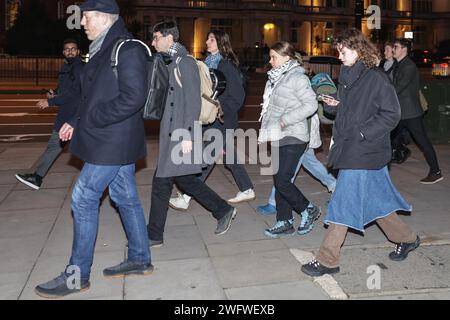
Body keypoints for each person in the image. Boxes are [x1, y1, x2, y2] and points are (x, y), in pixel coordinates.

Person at [35, 0, 152, 298]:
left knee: (83, 198)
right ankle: (140, 258)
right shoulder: (101, 48)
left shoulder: (129, 49)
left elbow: (133, 98)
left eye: (86, 18)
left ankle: (77, 276)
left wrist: (89, 120)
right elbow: (90, 96)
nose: (82, 23)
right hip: (108, 139)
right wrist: (75, 120)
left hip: (112, 141)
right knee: (125, 197)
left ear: (104, 18)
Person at [301, 29, 420, 277]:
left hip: (366, 148)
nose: (339, 55)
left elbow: (391, 114)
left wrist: (364, 133)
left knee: (342, 202)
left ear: (357, 50)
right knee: (377, 202)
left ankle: (328, 258)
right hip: (351, 146)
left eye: (343, 51)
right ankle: (407, 238)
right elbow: (346, 109)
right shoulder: (347, 75)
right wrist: (334, 105)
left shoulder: (376, 78)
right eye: (339, 51)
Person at [147, 21, 237, 248]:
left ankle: (153, 235)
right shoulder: (170, 61)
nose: (153, 42)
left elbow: (192, 101)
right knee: (185, 180)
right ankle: (223, 209)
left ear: (169, 38)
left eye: (156, 37)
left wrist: (187, 135)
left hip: (181, 134)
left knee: (161, 183)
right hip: (173, 132)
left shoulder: (185, 62)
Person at [169, 29, 255, 211]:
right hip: (210, 119)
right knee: (228, 155)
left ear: (221, 43)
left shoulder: (226, 66)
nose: (207, 42)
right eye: (208, 39)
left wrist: (222, 110)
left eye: (211, 39)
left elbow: (238, 96)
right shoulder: (206, 64)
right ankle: (247, 188)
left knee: (206, 157)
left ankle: (186, 196)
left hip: (223, 120)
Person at [258, 41, 320, 238]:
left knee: (283, 180)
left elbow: (310, 105)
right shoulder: (276, 77)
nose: (270, 61)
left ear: (287, 57)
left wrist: (285, 120)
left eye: (274, 57)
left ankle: (308, 209)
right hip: (278, 134)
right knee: (279, 180)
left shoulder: (297, 77)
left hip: (294, 134)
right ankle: (284, 221)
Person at [15, 39, 83, 190]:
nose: (70, 51)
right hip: (68, 113)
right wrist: (54, 93)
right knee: (59, 146)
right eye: (67, 49)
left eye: (73, 49)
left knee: (58, 145)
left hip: (74, 115)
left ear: (78, 51)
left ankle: (37, 177)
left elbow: (75, 93)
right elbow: (64, 89)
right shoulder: (67, 67)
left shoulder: (79, 68)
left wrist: (51, 103)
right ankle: (37, 177)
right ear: (63, 52)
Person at [256, 110, 336, 220]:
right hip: (295, 130)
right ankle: (335, 186)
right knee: (309, 162)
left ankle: (274, 202)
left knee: (285, 173)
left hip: (299, 132)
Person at [391, 38, 442, 184]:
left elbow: (398, 87)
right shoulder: (399, 64)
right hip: (401, 111)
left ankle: (436, 171)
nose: (393, 49)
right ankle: (379, 169)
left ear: (404, 49)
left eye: (395, 47)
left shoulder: (409, 66)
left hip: (410, 112)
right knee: (386, 138)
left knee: (423, 142)